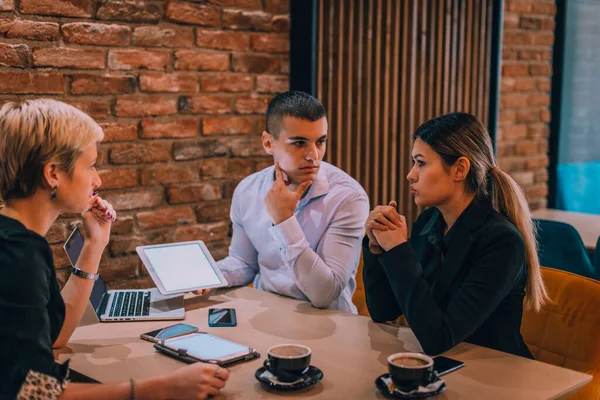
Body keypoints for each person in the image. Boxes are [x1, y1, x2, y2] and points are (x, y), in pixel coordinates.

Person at [0, 99, 229, 399]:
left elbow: (54, 338)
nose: (98, 179)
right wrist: (161, 388)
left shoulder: (17, 240)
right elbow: (32, 393)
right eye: (90, 165)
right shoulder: (17, 254)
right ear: (53, 173)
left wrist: (95, 243)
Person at [363, 112, 548, 358]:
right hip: (450, 367)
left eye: (421, 163)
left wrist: (398, 251)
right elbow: (382, 310)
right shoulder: (430, 222)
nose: (411, 174)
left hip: (498, 375)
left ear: (459, 169)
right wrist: (377, 249)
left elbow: (438, 338)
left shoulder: (502, 242)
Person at [214, 91, 369, 313]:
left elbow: (324, 294)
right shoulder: (247, 190)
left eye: (321, 142)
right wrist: (207, 277)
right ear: (268, 143)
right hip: (265, 314)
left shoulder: (348, 197)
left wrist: (284, 220)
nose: (313, 155)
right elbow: (244, 264)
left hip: (329, 324)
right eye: (299, 143)